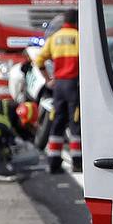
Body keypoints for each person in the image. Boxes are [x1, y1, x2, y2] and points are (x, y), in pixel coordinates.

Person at [35, 9, 82, 174]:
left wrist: (48, 80)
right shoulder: (79, 37)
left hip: (59, 86)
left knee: (57, 123)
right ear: (77, 21)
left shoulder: (55, 38)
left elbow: (39, 60)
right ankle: (77, 162)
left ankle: (54, 162)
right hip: (74, 85)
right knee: (75, 124)